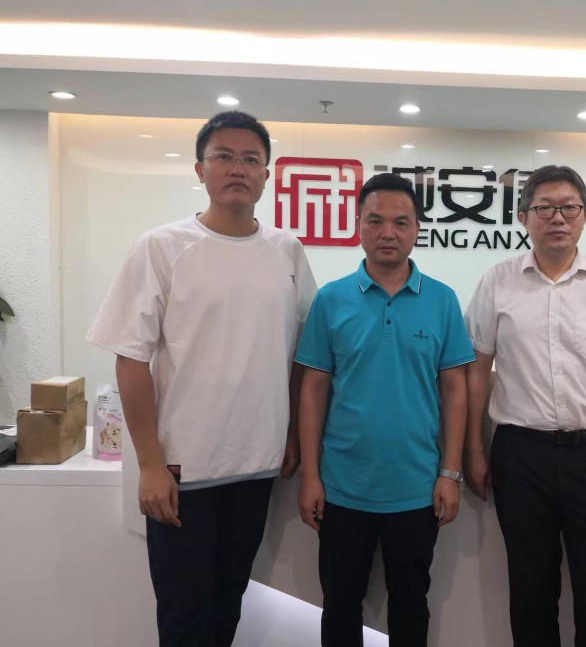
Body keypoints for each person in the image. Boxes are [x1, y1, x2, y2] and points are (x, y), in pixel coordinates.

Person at [86, 110, 317, 646]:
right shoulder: (162, 246)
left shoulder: (287, 251)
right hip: (181, 472)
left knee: (229, 602)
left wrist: (289, 436)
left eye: (251, 159)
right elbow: (130, 359)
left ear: (267, 174)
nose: (238, 168)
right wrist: (149, 465)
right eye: (224, 157)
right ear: (200, 169)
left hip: (256, 467)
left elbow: (299, 353)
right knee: (185, 616)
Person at [465, 165, 586, 647]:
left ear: (585, 215)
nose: (557, 218)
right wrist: (475, 449)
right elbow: (477, 370)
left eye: (569, 207)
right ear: (523, 217)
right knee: (530, 593)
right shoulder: (497, 281)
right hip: (520, 456)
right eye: (544, 208)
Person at [295, 172, 473, 647]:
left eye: (401, 222)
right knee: (339, 609)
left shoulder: (442, 300)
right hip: (341, 489)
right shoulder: (331, 300)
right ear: (359, 225)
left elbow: (455, 390)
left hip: (417, 489)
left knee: (411, 608)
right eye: (375, 221)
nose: (388, 232)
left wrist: (450, 473)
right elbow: (313, 390)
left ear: (417, 229)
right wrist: (311, 476)